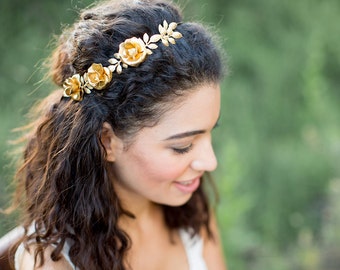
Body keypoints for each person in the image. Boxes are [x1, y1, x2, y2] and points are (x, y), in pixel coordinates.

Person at [9, 0, 227, 269]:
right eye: (183, 146)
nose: (210, 162)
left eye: (209, 133)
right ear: (107, 141)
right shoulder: (52, 261)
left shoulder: (189, 211)